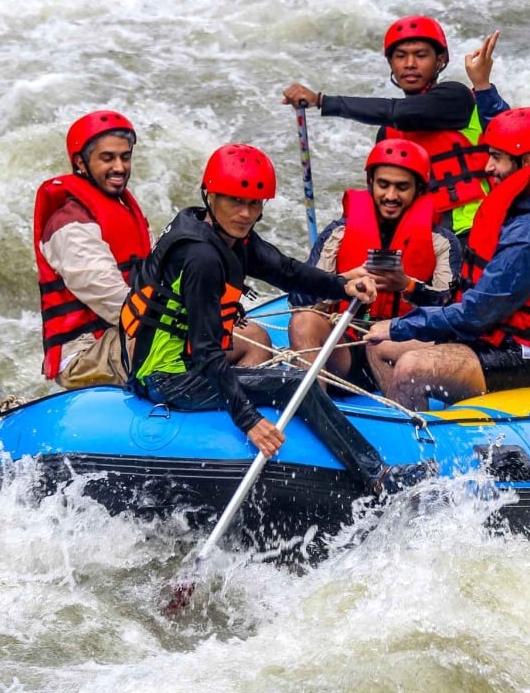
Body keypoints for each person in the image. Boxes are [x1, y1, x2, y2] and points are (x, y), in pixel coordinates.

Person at [122, 144, 434, 492]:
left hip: (172, 365)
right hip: (171, 379)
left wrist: (342, 285)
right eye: (235, 201)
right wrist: (249, 420)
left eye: (254, 204)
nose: (245, 214)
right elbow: (207, 351)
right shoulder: (202, 259)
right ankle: (378, 476)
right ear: (210, 195)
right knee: (293, 383)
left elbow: (285, 271)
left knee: (268, 362)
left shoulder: (219, 230)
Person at [364, 108, 530, 411]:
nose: (487, 167)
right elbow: (471, 300)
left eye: (496, 157)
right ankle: (408, 415)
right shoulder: (523, 196)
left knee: (410, 367)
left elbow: (475, 315)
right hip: (490, 336)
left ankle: (414, 438)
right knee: (378, 346)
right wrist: (412, 288)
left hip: (525, 355)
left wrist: (400, 327)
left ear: (526, 162)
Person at [282, 17, 510, 239]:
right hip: (424, 240)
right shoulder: (388, 134)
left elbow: (401, 112)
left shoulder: (456, 98)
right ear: (391, 63)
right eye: (401, 56)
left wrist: (322, 101)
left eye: (421, 55)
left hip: (479, 230)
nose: (410, 64)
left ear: (440, 60)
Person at [287, 139, 461, 387]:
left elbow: (451, 311)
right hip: (348, 348)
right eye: (383, 185)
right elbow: (298, 300)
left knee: (391, 343)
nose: (390, 196)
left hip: (406, 349)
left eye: (402, 187)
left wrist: (407, 286)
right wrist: (343, 283)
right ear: (370, 182)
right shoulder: (338, 233)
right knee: (303, 321)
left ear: (419, 188)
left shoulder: (443, 242)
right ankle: (314, 404)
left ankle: (405, 405)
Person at [33, 110, 155, 389]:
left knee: (243, 334)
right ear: (81, 163)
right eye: (108, 158)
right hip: (84, 354)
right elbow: (117, 304)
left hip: (121, 334)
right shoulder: (69, 226)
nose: (119, 167)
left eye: (125, 157)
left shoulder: (126, 212)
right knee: (188, 341)